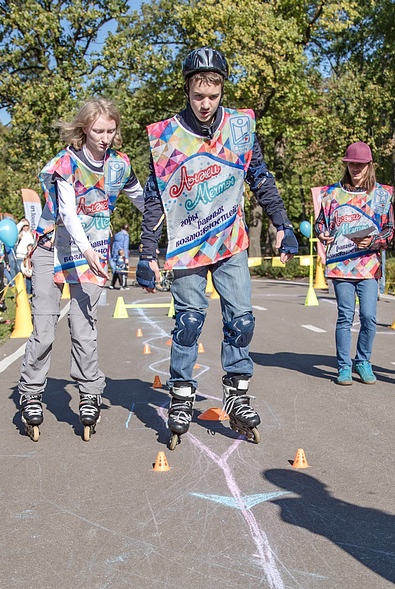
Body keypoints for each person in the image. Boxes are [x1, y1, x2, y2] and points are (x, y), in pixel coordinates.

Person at [137, 48, 298, 448]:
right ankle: (181, 394)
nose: (206, 104)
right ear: (187, 91)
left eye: (213, 95)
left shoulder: (240, 128)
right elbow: (156, 199)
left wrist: (282, 224)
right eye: (198, 96)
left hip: (229, 239)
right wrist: (145, 251)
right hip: (187, 244)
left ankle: (237, 393)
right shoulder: (168, 137)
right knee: (189, 323)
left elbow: (259, 176)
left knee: (241, 320)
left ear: (222, 90)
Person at [17, 97, 146, 442]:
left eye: (110, 130)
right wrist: (86, 248)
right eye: (98, 130)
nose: (105, 137)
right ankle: (30, 391)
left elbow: (142, 199)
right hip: (54, 246)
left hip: (94, 250)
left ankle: (89, 390)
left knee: (82, 326)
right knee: (44, 327)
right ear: (84, 129)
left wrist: (173, 213)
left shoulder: (120, 165)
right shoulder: (66, 163)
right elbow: (68, 213)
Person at [315, 142, 395, 386]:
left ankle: (363, 361)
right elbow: (321, 224)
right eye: (351, 163)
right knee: (345, 316)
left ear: (369, 165)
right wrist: (322, 233)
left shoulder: (382, 195)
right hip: (341, 265)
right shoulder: (331, 194)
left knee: (369, 317)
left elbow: (390, 230)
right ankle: (343, 367)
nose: (355, 168)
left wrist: (374, 241)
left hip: (369, 266)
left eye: (360, 164)